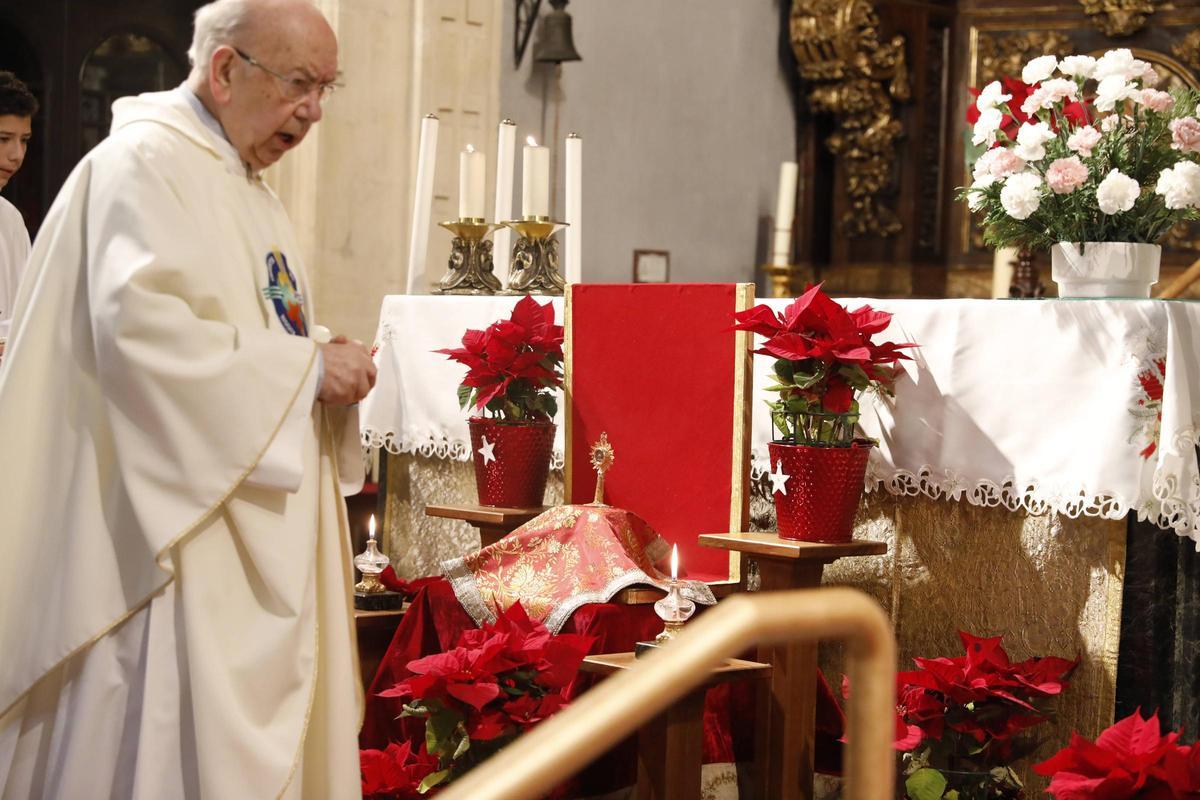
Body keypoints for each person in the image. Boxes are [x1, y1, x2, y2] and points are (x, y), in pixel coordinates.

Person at [0, 0, 376, 797]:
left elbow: (244, 320)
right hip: (160, 546)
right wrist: (305, 374)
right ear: (227, 69)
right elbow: (142, 336)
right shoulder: (142, 166)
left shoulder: (245, 183)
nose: (312, 111)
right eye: (299, 84)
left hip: (227, 514)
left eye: (326, 90)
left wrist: (321, 354)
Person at [0, 72, 35, 358]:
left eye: (24, 140)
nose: (17, 155)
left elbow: (25, 315)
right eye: (4, 139)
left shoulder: (10, 220)